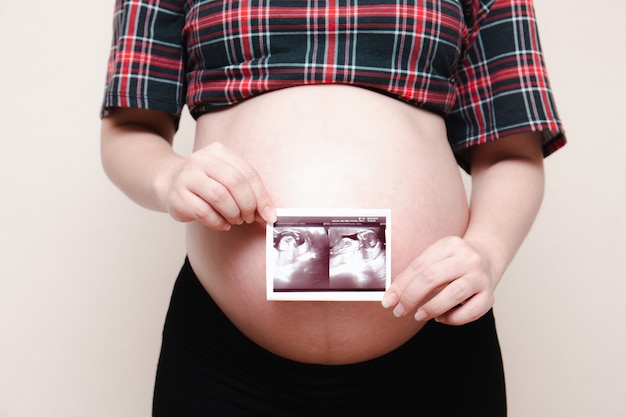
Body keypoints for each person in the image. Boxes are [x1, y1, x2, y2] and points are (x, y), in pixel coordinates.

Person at [100, 0, 565, 414]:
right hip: (224, 358)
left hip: (434, 339)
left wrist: (486, 250)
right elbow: (130, 127)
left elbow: (510, 151)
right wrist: (169, 177)